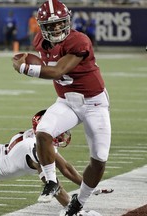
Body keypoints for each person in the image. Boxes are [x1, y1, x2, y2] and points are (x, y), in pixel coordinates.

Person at [12, 0, 111, 215]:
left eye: (60, 23)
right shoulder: (40, 41)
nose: (57, 28)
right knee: (43, 132)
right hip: (67, 102)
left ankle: (79, 202)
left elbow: (57, 71)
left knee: (99, 160)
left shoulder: (79, 41)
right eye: (52, 25)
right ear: (42, 26)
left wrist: (25, 69)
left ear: (67, 22)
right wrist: (26, 61)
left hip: (94, 103)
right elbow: (45, 62)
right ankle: (51, 181)